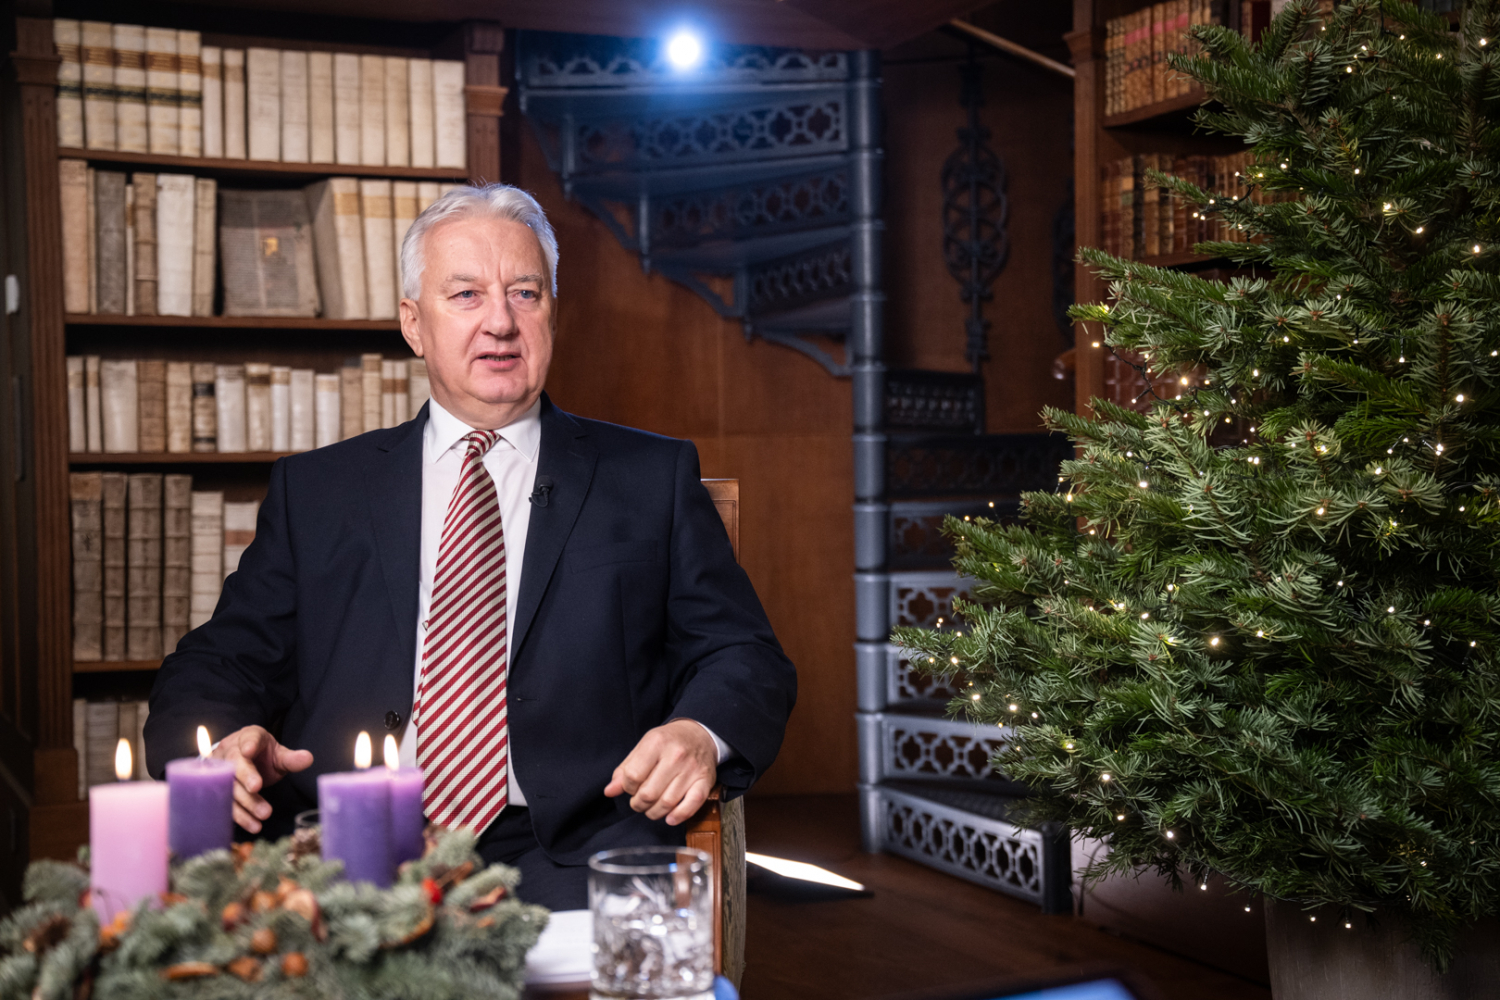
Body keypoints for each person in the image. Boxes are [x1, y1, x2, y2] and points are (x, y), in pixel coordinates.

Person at [145, 184, 797, 911]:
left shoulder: (650, 478)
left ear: (552, 312)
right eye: (466, 295)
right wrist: (220, 745)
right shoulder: (319, 491)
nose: (501, 322)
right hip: (352, 848)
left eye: (525, 293)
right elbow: (216, 662)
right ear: (413, 324)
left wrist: (699, 734)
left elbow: (745, 656)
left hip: (573, 852)